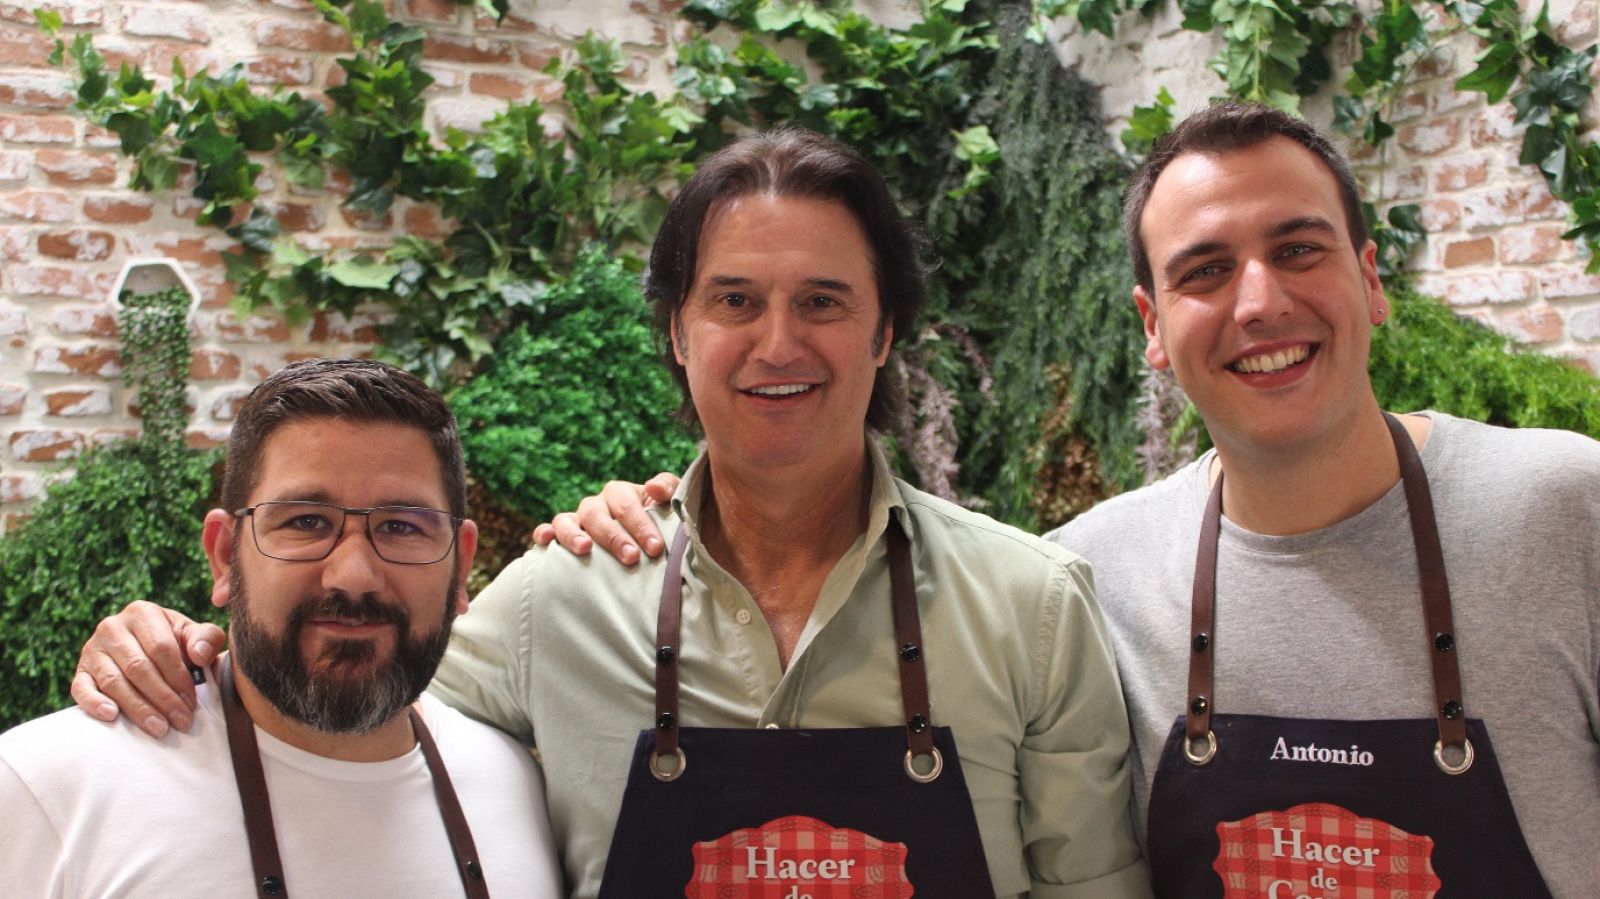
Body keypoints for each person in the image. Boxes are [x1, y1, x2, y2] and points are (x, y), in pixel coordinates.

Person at [533, 103, 1600, 898]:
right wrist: (655, 520)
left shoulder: (1563, 508)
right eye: (1204, 271)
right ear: (1151, 323)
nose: (1260, 300)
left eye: (1297, 249)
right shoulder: (1099, 571)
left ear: (1370, 277)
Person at [67, 130, 1152, 898]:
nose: (778, 342)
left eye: (822, 301)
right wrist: (177, 645)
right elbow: (343, 673)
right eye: (734, 300)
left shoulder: (1031, 607)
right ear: (678, 333)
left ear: (883, 334)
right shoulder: (559, 599)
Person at [1, 358, 562, 897]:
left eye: (400, 526)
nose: (355, 577)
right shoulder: (46, 788)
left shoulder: (512, 782)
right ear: (224, 556)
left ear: (460, 566)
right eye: (306, 522)